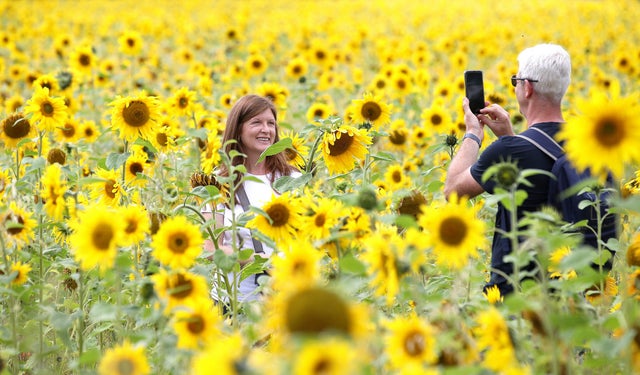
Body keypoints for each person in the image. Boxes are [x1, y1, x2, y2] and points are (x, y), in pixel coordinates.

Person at [444, 43, 586, 296]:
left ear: (527, 87)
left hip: (520, 295)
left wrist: (474, 133)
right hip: (574, 288)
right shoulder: (591, 144)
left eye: (516, 80)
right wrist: (509, 137)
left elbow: (453, 190)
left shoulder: (509, 152)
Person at [201, 94, 300, 307]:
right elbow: (210, 249)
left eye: (271, 123)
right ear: (238, 129)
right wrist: (259, 261)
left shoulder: (293, 180)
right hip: (234, 302)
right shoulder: (218, 182)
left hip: (284, 300)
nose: (266, 129)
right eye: (256, 122)